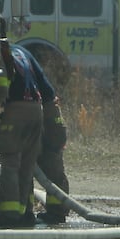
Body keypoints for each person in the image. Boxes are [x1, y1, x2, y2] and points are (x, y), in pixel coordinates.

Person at [0, 18, 54, 228]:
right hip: (36, 110)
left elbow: (1, 85)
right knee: (27, 165)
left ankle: (10, 215)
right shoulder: (22, 51)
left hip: (15, 110)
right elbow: (47, 89)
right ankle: (26, 212)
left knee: (9, 163)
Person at [38, 94, 72, 224]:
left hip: (48, 121)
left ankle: (57, 212)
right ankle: (56, 212)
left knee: (24, 169)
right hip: (49, 120)